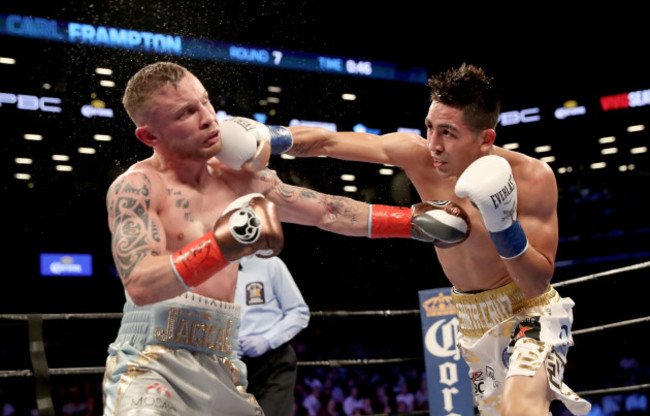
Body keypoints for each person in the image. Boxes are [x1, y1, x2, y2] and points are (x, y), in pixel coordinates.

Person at [102, 61, 468, 416]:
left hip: (223, 359)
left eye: (206, 100)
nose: (208, 118)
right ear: (150, 135)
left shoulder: (237, 175)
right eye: (185, 113)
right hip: (151, 362)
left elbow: (327, 211)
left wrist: (412, 222)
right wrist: (224, 244)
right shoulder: (137, 187)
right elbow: (141, 284)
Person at [266, 63, 591, 416]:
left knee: (521, 408)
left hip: (529, 311)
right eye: (430, 128)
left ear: (486, 139)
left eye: (448, 133)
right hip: (472, 318)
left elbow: (535, 283)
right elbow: (328, 142)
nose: (433, 144)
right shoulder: (418, 155)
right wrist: (267, 138)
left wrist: (503, 225)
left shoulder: (532, 178)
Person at [235, 255, 309, 416]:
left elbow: (299, 312)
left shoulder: (270, 263)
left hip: (272, 362)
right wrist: (223, 343)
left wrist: (268, 340)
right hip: (228, 365)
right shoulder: (208, 268)